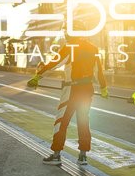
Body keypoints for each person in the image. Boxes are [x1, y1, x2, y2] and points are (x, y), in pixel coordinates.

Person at [27, 24, 108, 166]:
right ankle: (83, 156)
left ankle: (57, 154)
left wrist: (38, 76)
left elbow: (54, 63)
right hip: (87, 89)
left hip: (72, 90)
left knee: (61, 121)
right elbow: (99, 71)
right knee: (83, 121)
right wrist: (103, 88)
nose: (65, 35)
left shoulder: (69, 47)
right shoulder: (93, 48)